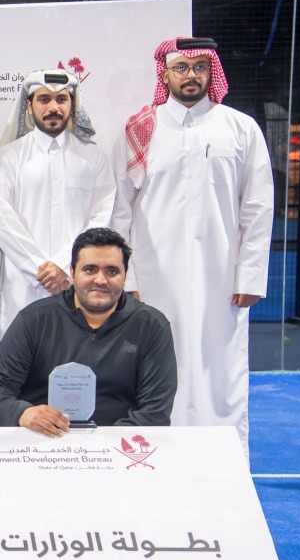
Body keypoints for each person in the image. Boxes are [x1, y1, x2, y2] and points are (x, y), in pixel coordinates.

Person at [114, 37, 274, 455]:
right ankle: (155, 452)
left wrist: (251, 273)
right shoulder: (140, 129)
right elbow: (118, 209)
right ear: (165, 74)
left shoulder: (240, 129)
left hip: (220, 275)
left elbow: (257, 207)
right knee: (153, 361)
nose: (191, 75)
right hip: (152, 273)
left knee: (219, 364)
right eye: (181, 68)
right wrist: (123, 276)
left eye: (200, 67)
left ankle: (223, 457)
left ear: (212, 72)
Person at [0, 227, 177, 436]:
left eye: (112, 271)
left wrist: (102, 446)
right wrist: (23, 413)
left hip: (117, 449)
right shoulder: (35, 320)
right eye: (90, 270)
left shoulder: (151, 326)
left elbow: (155, 412)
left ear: (125, 275)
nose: (100, 280)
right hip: (43, 444)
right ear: (72, 273)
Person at [0, 69, 115, 337]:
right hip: (23, 283)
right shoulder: (9, 157)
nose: (53, 107)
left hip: (75, 279)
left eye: (61, 99)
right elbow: (2, 219)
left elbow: (101, 216)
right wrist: (40, 268)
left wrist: (65, 265)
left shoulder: (94, 157)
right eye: (44, 99)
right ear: (30, 106)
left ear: (72, 104)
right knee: (21, 363)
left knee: (75, 362)